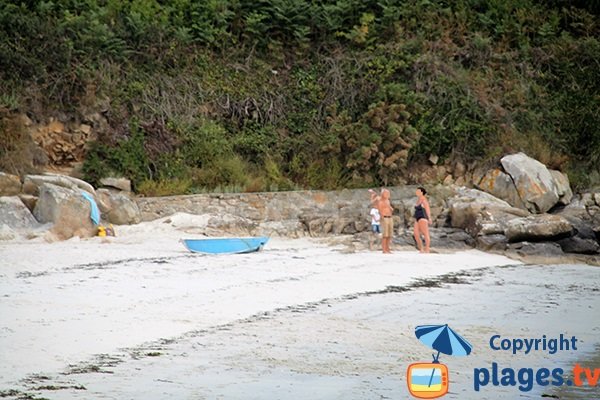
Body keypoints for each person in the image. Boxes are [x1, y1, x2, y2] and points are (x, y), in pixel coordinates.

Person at [369, 188, 394, 253]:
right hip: (384, 218)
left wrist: (391, 209)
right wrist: (382, 217)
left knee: (389, 234)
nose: (388, 195)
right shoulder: (380, 200)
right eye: (386, 193)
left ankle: (388, 248)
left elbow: (390, 208)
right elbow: (379, 209)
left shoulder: (387, 201)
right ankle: (384, 249)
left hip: (390, 217)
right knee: (385, 234)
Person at [413, 186, 432, 253]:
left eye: (418, 191)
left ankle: (427, 248)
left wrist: (429, 218)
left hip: (423, 217)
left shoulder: (424, 200)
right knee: (416, 234)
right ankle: (421, 248)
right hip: (417, 217)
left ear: (422, 192)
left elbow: (427, 209)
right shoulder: (418, 200)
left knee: (425, 233)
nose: (416, 192)